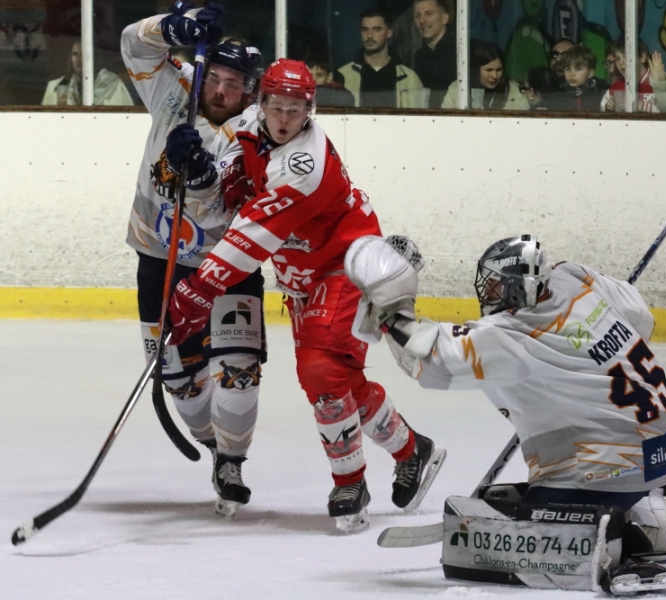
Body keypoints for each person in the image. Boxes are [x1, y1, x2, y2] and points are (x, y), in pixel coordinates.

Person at [344, 234, 666, 593]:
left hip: (608, 473)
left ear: (517, 290)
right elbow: (642, 319)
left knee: (497, 532)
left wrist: (391, 309)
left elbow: (431, 360)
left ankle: (607, 540)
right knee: (521, 487)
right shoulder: (575, 276)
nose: (488, 294)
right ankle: (654, 511)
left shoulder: (516, 332)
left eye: (495, 287)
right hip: (662, 459)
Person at [165, 59, 446, 534]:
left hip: (347, 266)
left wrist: (200, 288)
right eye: (277, 106)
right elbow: (230, 190)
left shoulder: (305, 165)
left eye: (295, 110)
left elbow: (251, 234)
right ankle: (411, 450)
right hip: (302, 276)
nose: (283, 119)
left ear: (309, 111)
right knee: (339, 379)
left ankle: (349, 482)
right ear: (262, 102)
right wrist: (205, 174)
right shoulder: (250, 126)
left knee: (319, 370)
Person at [121, 2, 266, 519]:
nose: (222, 91)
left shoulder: (256, 127)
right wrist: (172, 28)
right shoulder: (175, 84)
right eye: (218, 79)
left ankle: (232, 460)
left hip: (226, 263)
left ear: (250, 91)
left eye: (235, 84)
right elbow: (131, 45)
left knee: (239, 370)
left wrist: (202, 175)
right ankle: (211, 442)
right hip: (157, 259)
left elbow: (230, 200)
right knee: (178, 378)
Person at [337, 7, 425, 108]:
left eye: (377, 29)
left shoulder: (409, 79)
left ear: (389, 33)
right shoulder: (344, 76)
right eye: (365, 30)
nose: (369, 35)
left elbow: (420, 119)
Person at [440, 41, 527, 110]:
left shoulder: (515, 93)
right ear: (476, 70)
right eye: (489, 70)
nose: (495, 76)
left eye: (499, 70)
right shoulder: (457, 89)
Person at [42, 41, 134, 106]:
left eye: (84, 54)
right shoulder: (56, 86)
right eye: (75, 54)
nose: (79, 60)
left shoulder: (112, 85)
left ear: (94, 57)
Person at [412, 0, 457, 108]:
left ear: (445, 18)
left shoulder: (462, 51)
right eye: (417, 16)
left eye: (429, 14)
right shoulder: (418, 57)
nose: (422, 20)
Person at [602, 38, 658, 113]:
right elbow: (601, 111)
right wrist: (608, 107)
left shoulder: (659, 82)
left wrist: (641, 106)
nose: (621, 62)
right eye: (617, 58)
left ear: (642, 57)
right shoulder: (617, 87)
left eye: (626, 56)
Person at [548, 45, 609, 112]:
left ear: (590, 73)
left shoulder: (602, 94)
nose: (572, 74)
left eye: (578, 69)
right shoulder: (556, 93)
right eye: (568, 69)